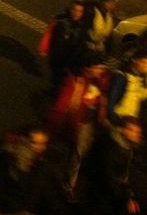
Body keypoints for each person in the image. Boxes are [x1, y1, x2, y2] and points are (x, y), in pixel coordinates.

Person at [48, 54, 109, 196]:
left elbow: (104, 97)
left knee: (78, 154)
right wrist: (54, 123)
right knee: (73, 152)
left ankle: (69, 183)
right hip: (76, 122)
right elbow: (62, 104)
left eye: (102, 67)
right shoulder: (76, 80)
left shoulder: (102, 80)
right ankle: (66, 183)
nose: (101, 70)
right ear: (88, 68)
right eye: (97, 67)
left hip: (89, 124)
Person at [0, 128, 68, 215]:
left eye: (43, 143)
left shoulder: (44, 166)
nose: (40, 148)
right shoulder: (9, 161)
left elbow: (50, 195)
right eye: (34, 143)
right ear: (25, 141)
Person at [93, 116, 142, 215]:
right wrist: (126, 199)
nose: (136, 134)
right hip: (100, 192)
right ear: (122, 130)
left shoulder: (127, 146)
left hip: (111, 191)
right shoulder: (112, 147)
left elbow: (123, 176)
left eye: (138, 132)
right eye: (132, 130)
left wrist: (129, 196)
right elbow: (109, 176)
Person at [47, 0, 88, 88]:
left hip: (71, 63)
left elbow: (81, 46)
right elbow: (57, 45)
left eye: (80, 11)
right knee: (58, 82)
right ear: (70, 10)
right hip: (60, 61)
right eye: (75, 10)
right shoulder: (62, 25)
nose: (77, 13)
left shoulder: (81, 27)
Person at [108, 46, 147, 126]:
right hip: (119, 121)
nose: (146, 67)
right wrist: (115, 121)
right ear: (134, 60)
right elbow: (111, 101)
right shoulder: (121, 77)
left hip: (131, 123)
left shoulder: (141, 79)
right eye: (144, 62)